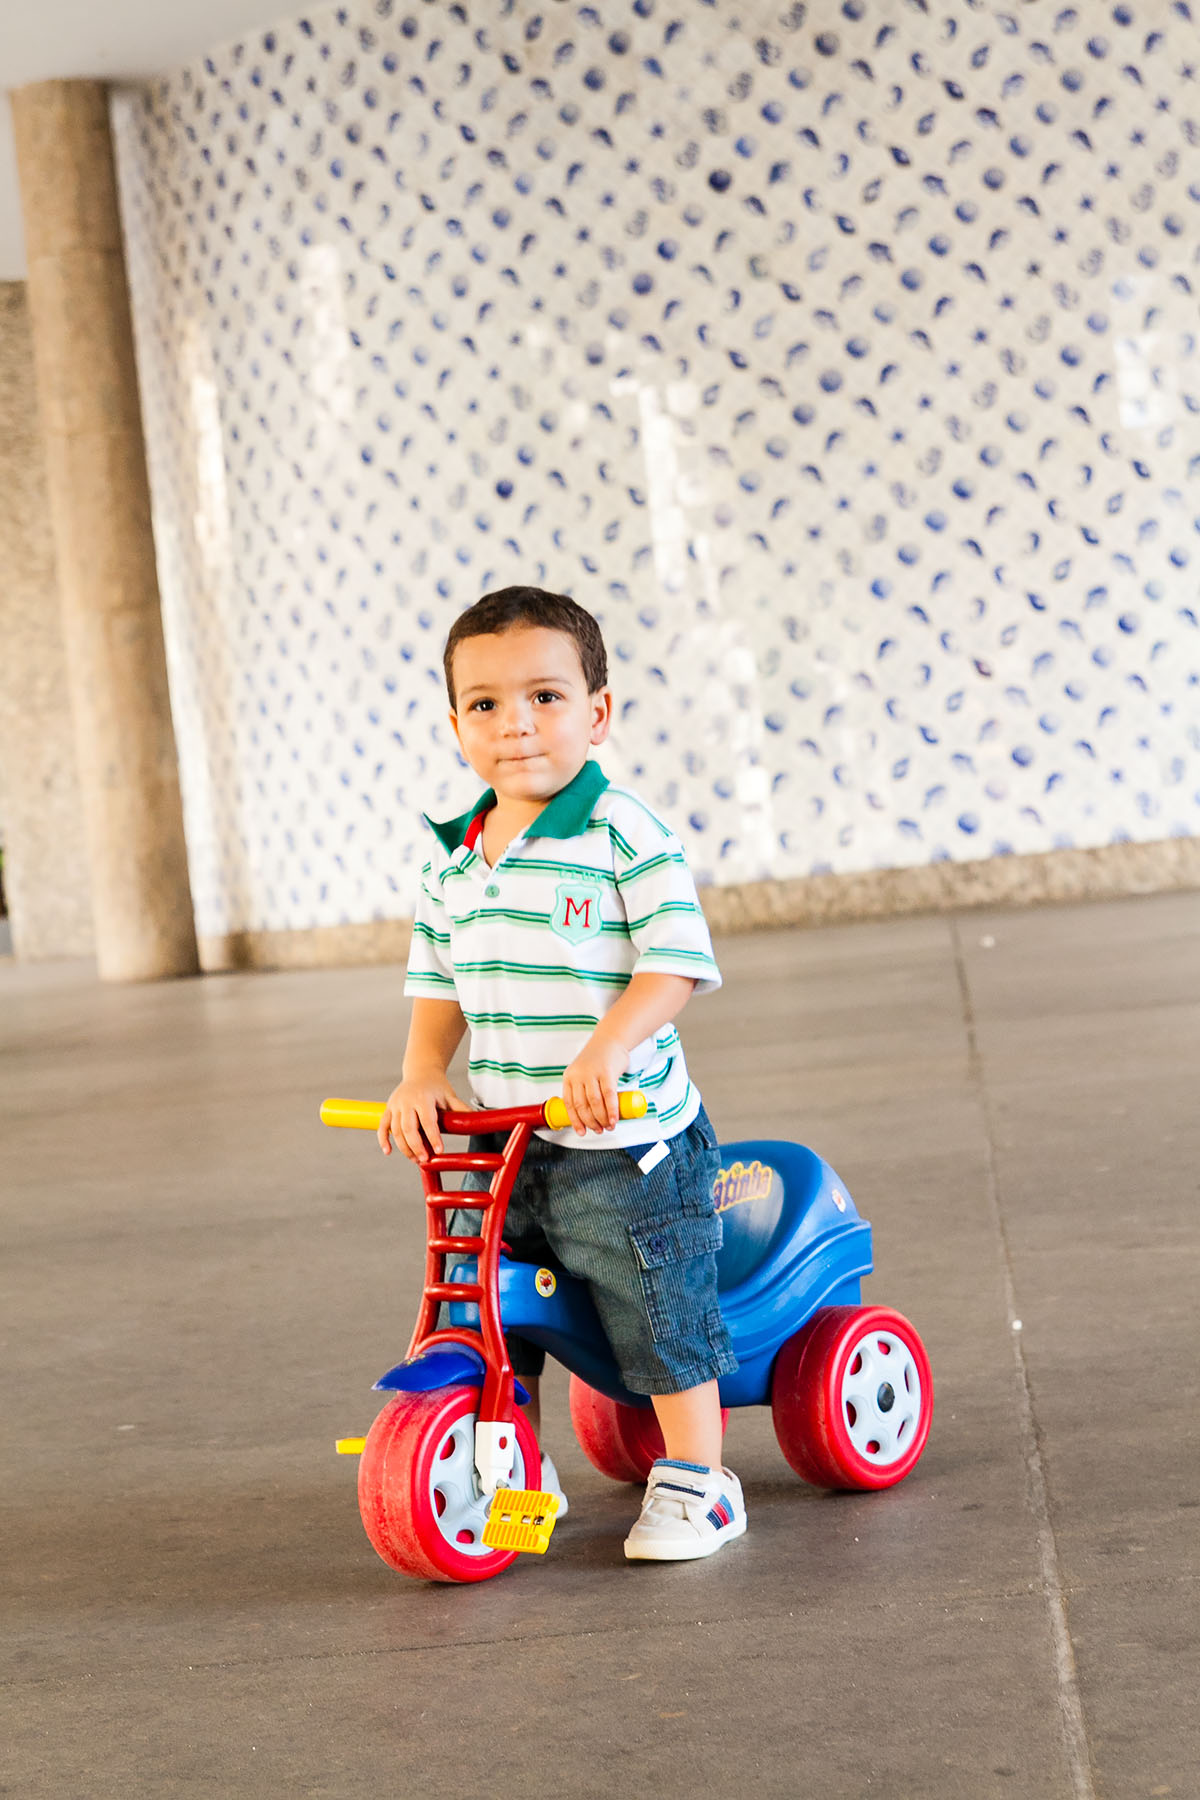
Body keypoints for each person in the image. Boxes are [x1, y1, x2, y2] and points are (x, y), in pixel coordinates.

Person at [378, 585, 745, 1561]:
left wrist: (606, 1049)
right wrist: (421, 1071)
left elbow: (673, 964)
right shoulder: (453, 859)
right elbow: (438, 979)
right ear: (455, 724)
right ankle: (512, 1485)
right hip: (505, 1143)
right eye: (487, 705)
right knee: (499, 1310)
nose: (517, 726)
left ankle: (702, 1482)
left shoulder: (624, 833)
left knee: (654, 1303)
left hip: (625, 1141)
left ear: (598, 712)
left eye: (545, 696)